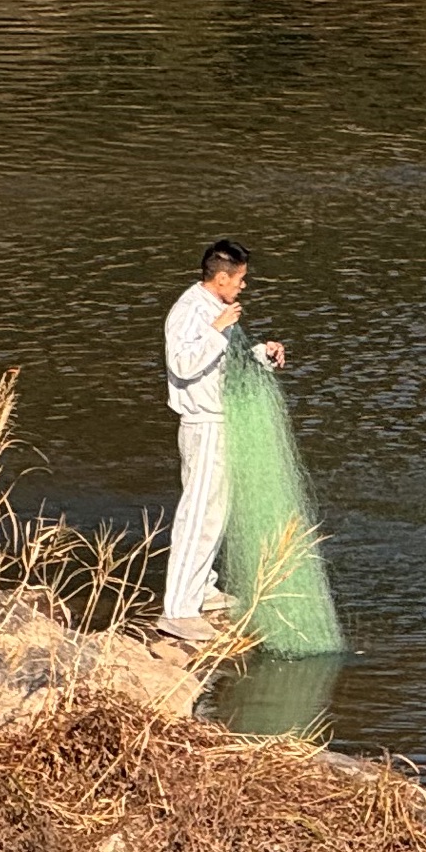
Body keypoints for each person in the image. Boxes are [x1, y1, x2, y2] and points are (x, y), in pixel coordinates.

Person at [161, 239, 284, 646]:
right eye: (241, 279)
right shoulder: (190, 310)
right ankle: (177, 610)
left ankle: (203, 590)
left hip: (222, 421)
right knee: (198, 515)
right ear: (221, 277)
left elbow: (224, 361)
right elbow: (182, 363)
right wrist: (217, 330)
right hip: (203, 423)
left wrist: (262, 353)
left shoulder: (217, 310)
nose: (244, 286)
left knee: (216, 511)